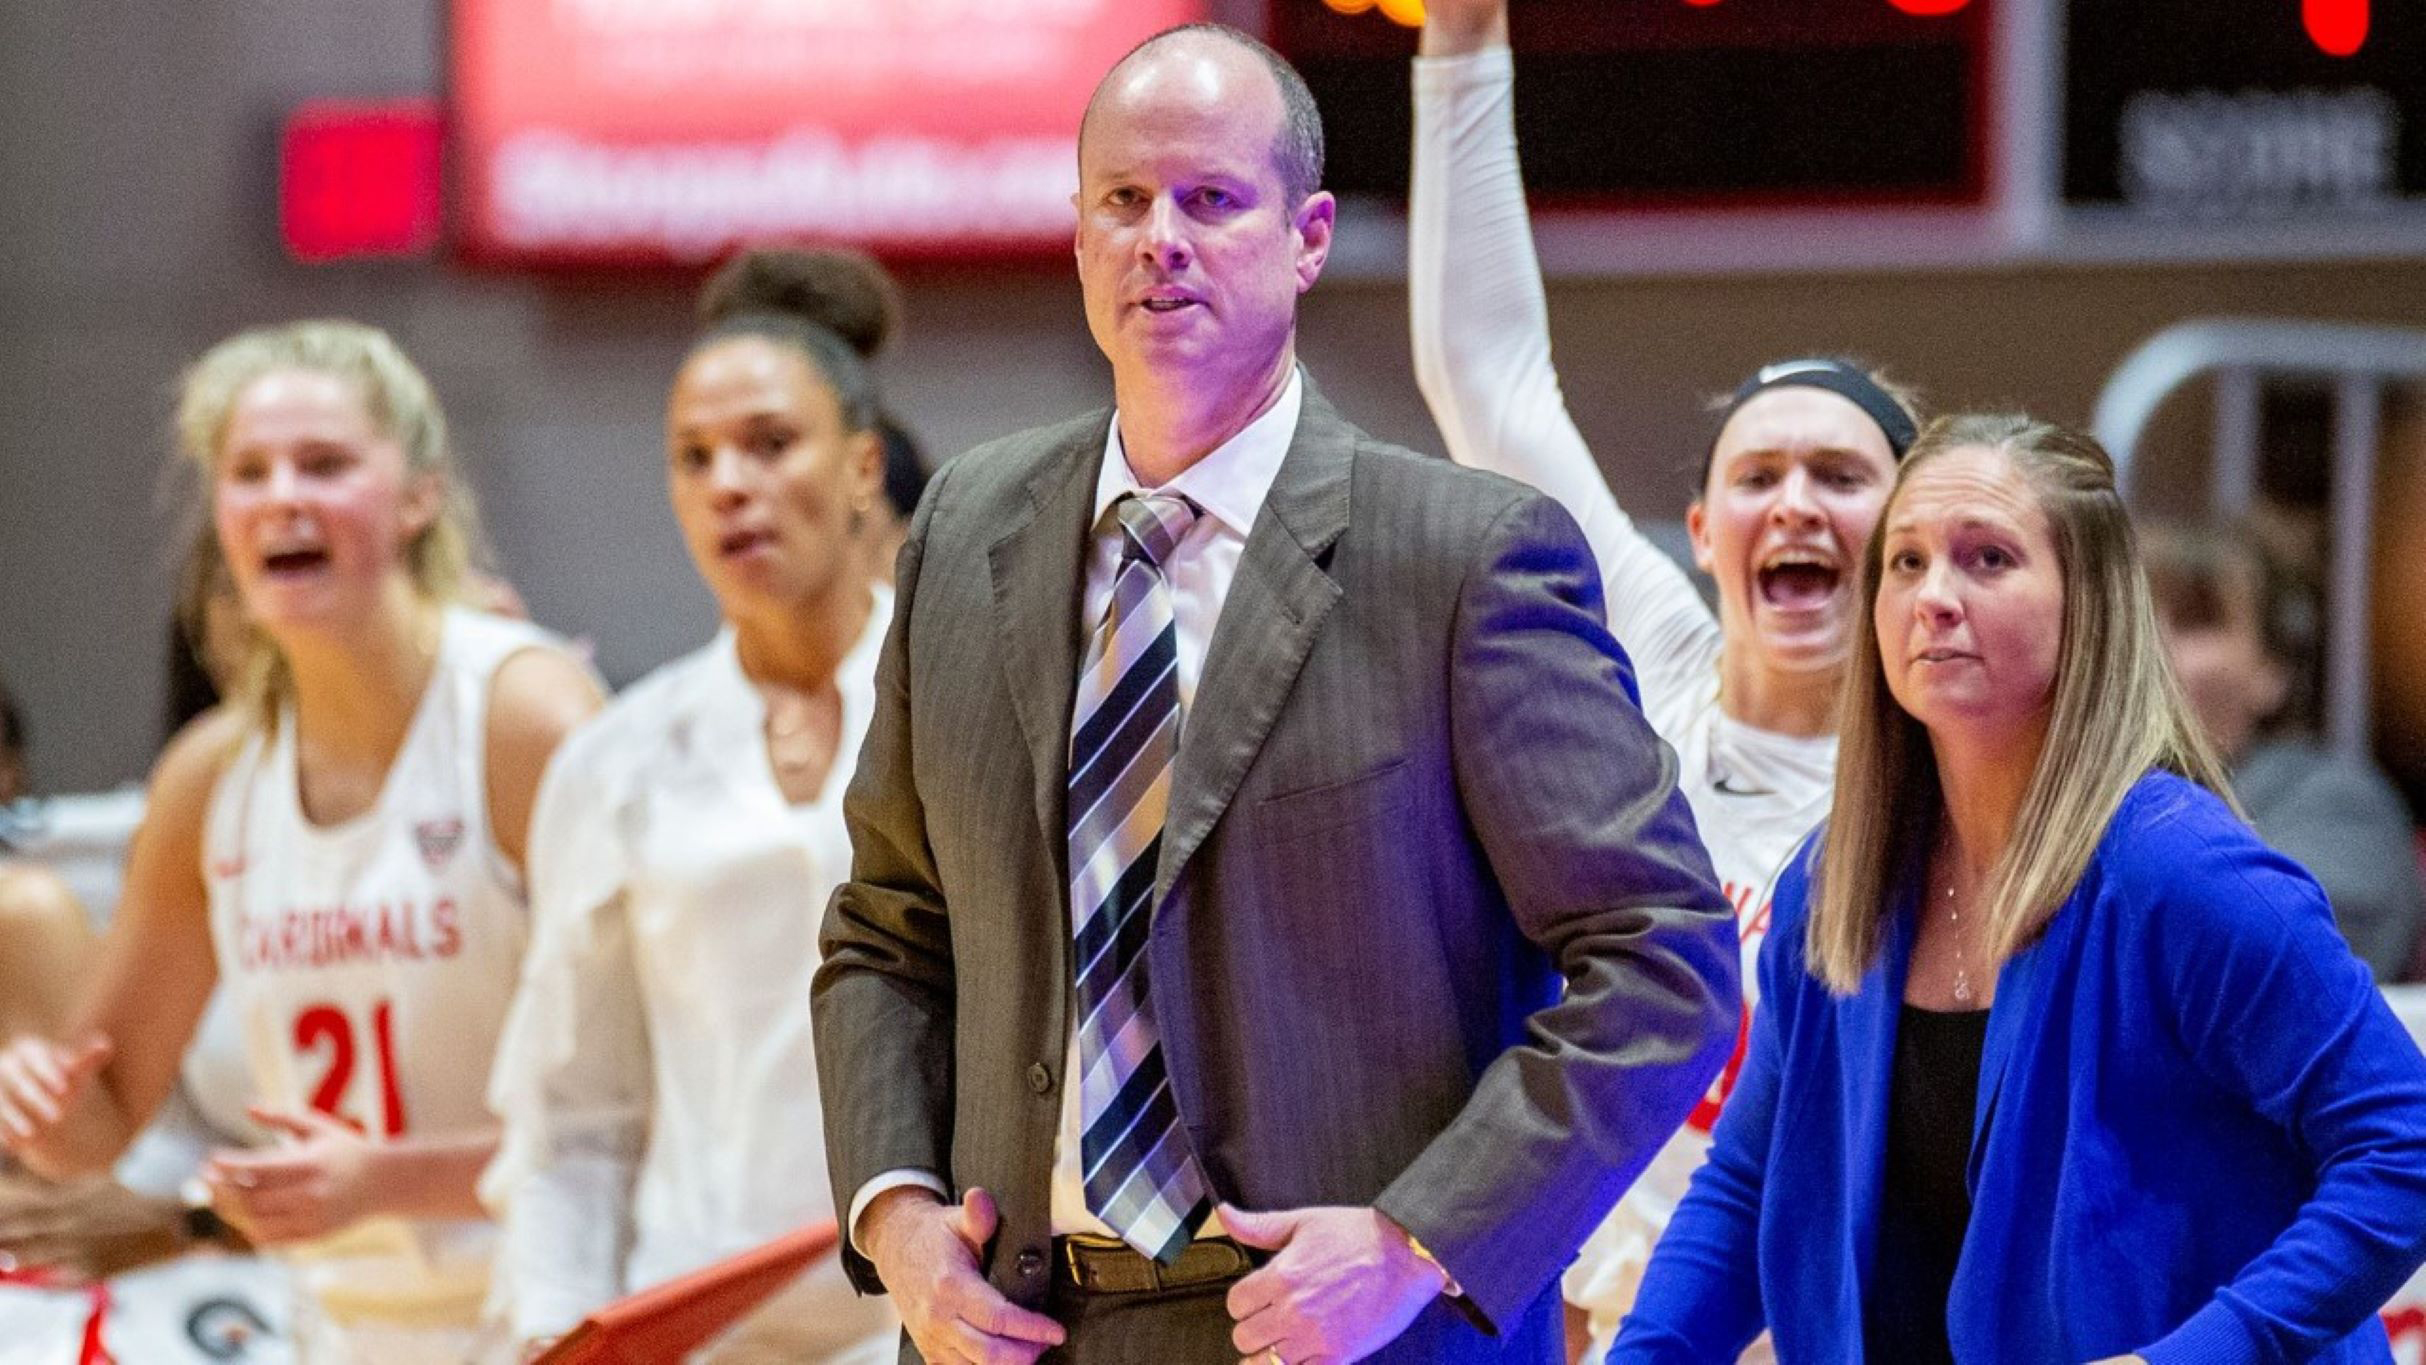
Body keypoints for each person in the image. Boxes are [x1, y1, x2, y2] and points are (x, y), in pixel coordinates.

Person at [815, 22, 1740, 1365]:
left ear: (1306, 235)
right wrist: (895, 1213)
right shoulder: (967, 528)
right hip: (1014, 1327)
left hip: (1354, 1334)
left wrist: (1418, 1238)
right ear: (1077, 236)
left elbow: (1663, 959)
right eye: (1122, 203)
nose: (1159, 240)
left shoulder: (1463, 555)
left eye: (1209, 199)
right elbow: (887, 932)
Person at [1612, 414, 2426, 1363]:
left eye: (1987, 558)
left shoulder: (2184, 873)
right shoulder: (1834, 883)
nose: (1934, 597)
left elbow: (2402, 1145)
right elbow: (1750, 1182)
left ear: (2090, 604)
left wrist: (2202, 1354)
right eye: (1907, 562)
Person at [1408, 2, 1920, 1355]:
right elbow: (1487, 376)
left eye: (1840, 477)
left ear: (1911, 533)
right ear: (1699, 534)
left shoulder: (1964, 772)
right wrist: (1461, 37)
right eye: (1758, 478)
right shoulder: (1654, 670)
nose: (1795, 504)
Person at [0, 319, 602, 1362]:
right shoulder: (210, 780)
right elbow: (96, 1119)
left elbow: (640, 1119)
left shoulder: (525, 721)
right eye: (250, 472)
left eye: (324, 465)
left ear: (417, 495)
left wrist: (384, 1179)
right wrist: (36, 1101)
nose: (284, 496)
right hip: (339, 1326)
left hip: (559, 1310)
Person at [485, 246, 903, 1362]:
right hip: (707, 1327)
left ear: (863, 467)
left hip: (945, 1321)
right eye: (694, 456)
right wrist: (548, 1329)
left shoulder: (979, 710)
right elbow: (569, 1112)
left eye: (771, 445)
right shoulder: (615, 759)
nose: (729, 482)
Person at [2144, 522, 2426, 981]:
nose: (2150, 646)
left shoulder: (2338, 808)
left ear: (2272, 671)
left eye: (2195, 620)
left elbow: (2269, 976)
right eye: (2131, 621)